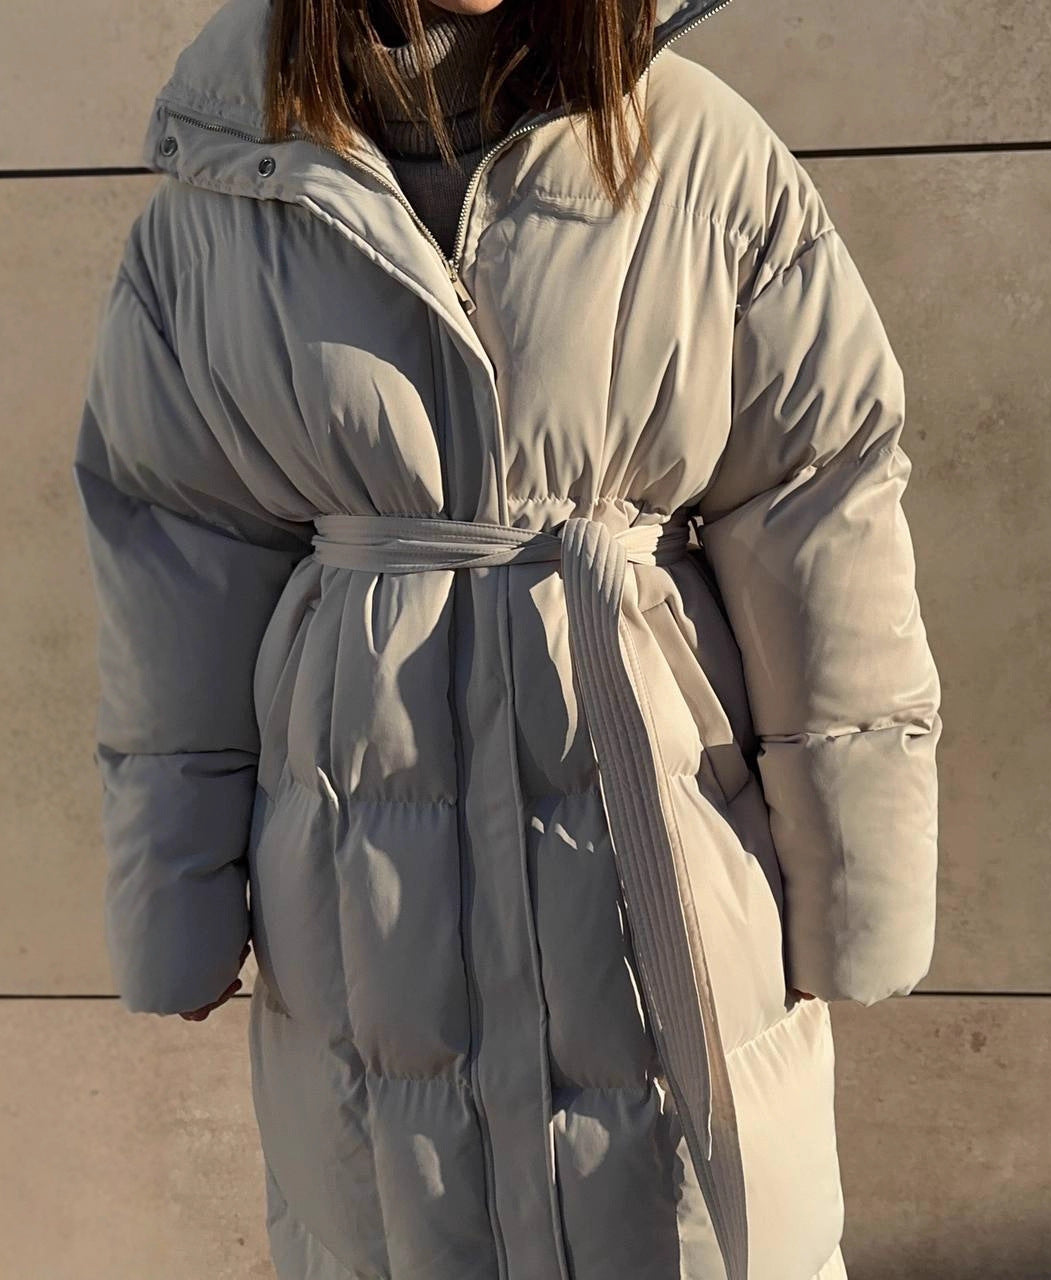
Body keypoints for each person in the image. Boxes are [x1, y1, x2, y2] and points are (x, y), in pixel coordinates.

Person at [71, 0, 943, 1276]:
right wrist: (176, 899)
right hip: (361, 856)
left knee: (682, 1216)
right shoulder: (226, 185)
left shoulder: (698, 152)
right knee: (396, 1211)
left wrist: (857, 878)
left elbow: (819, 502)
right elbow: (175, 558)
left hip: (655, 816)